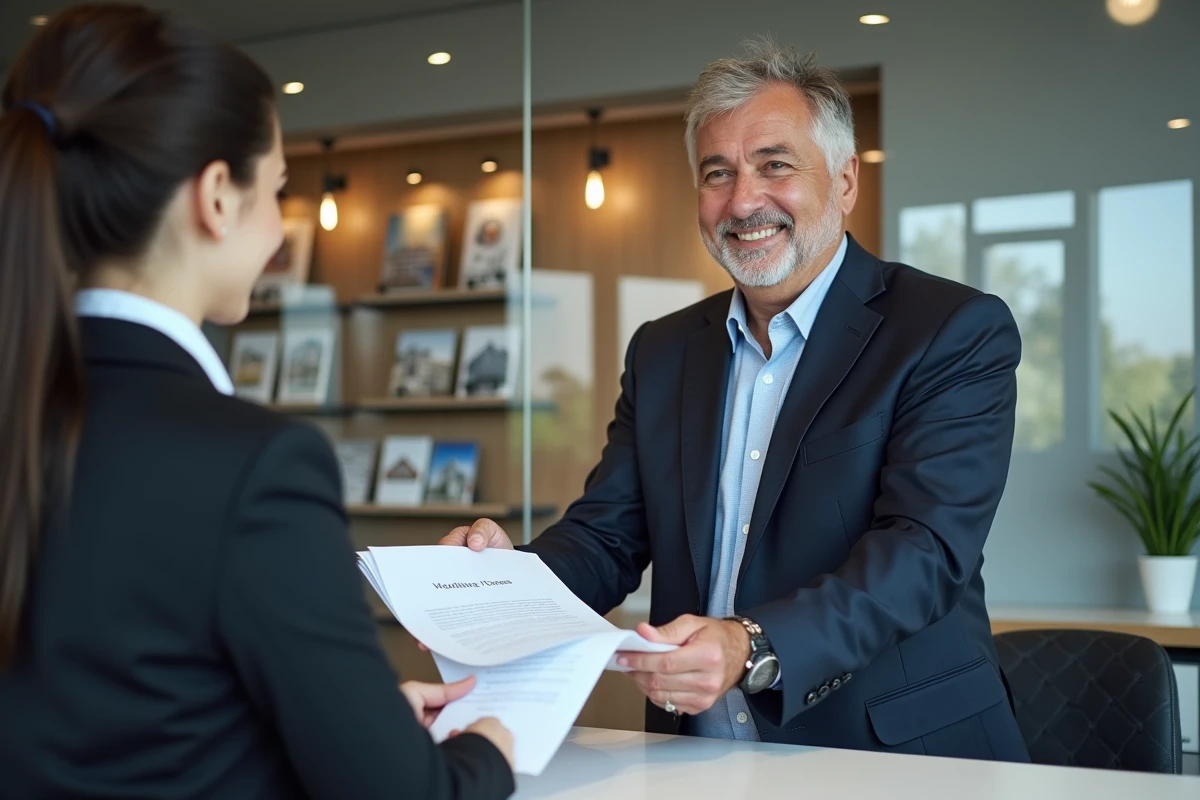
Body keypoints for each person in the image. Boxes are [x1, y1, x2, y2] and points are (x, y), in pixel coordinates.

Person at [442, 39, 1030, 763]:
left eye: (775, 165)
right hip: (700, 758)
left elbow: (922, 551)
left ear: (845, 181)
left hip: (898, 755)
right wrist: (505, 583)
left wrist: (753, 644)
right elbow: (607, 535)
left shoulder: (950, 329)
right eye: (717, 173)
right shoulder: (662, 350)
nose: (743, 200)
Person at [0, 6, 514, 798]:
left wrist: (360, 723)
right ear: (215, 197)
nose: (278, 226)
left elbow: (123, 717)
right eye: (277, 187)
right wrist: (488, 751)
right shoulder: (257, 464)